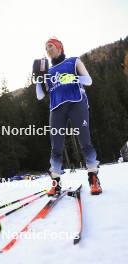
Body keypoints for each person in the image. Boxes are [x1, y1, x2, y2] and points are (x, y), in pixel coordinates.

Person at [35, 37, 102, 196]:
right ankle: (55, 182)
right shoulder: (48, 72)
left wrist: (73, 77)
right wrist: (38, 78)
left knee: (85, 141)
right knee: (56, 147)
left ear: (59, 47)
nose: (48, 49)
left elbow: (89, 81)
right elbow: (39, 96)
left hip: (76, 103)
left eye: (50, 46)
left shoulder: (73, 61)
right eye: (46, 48)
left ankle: (93, 178)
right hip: (57, 108)